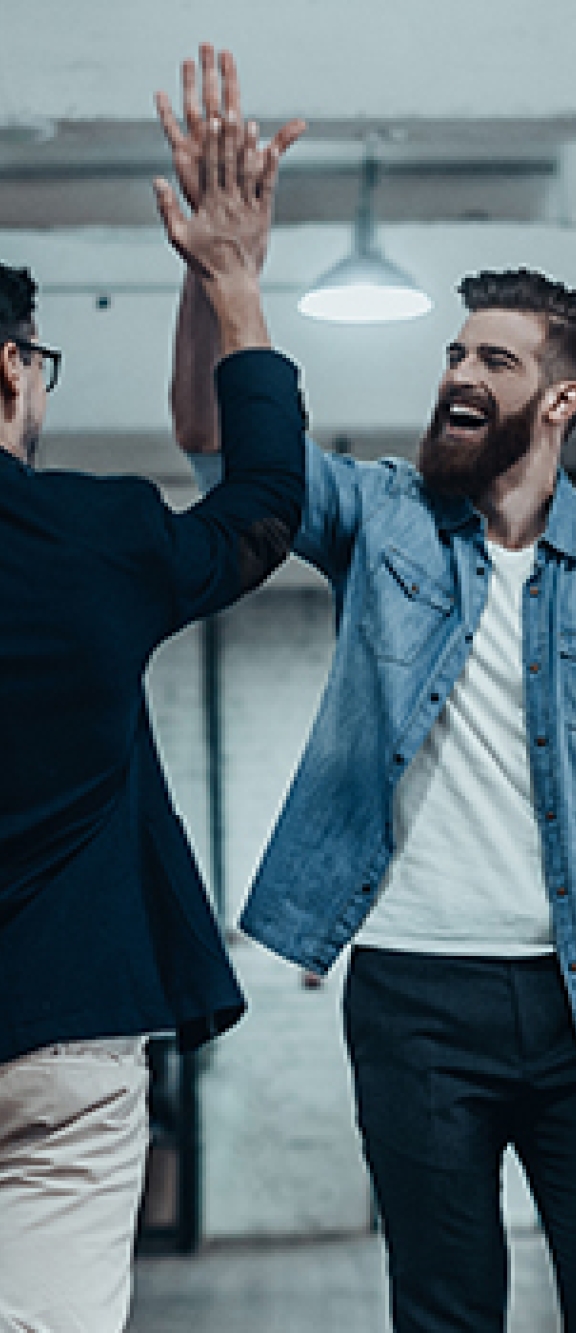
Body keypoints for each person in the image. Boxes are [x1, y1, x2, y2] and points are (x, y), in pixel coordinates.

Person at [167, 54, 576, 1333]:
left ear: (559, 401)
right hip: (414, 993)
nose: (458, 373)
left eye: (494, 360)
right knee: (444, 1311)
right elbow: (216, 439)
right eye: (456, 351)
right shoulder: (380, 519)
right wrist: (220, 279)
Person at [0, 53, 306, 1333]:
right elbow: (258, 508)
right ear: (13, 371)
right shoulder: (94, 537)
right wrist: (229, 282)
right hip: (66, 1032)